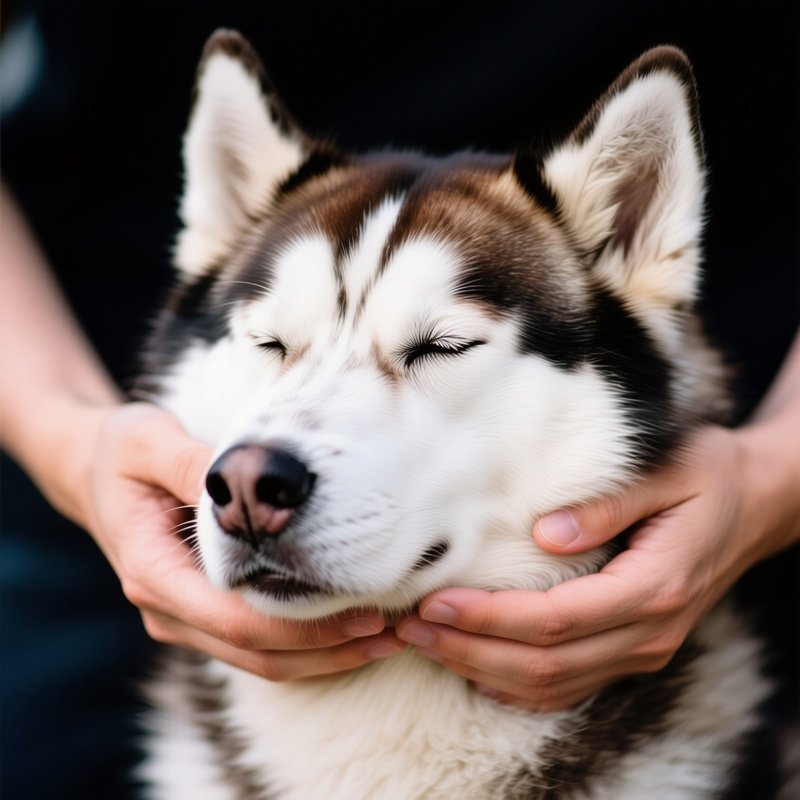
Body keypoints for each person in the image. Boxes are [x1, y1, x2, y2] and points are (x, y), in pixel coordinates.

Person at [1, 2, 797, 798]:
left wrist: (775, 468)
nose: (260, 468)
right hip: (65, 386)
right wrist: (68, 437)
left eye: (441, 345)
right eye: (272, 343)